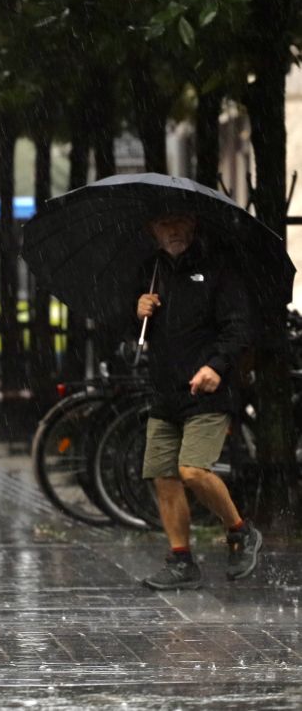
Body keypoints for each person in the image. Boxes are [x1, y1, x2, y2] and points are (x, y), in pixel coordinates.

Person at [134, 211, 261, 590]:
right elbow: (134, 336)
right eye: (163, 223)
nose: (171, 230)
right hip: (164, 391)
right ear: (151, 228)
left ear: (192, 225)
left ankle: (240, 532)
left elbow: (239, 327)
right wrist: (138, 313)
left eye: (178, 222)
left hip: (207, 390)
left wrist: (216, 367)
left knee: (193, 471)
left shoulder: (217, 268)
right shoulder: (151, 270)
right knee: (164, 476)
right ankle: (181, 561)